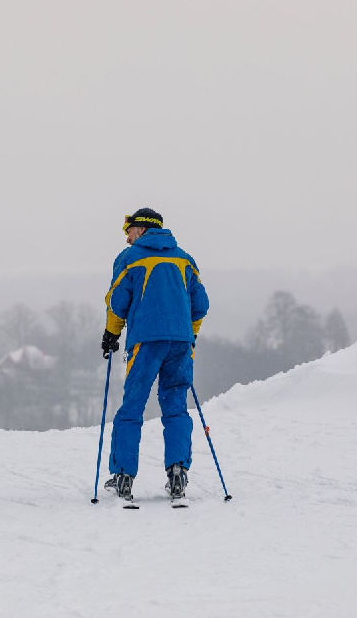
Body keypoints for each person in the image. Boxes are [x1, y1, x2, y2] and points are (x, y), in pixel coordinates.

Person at [101, 208, 209, 503]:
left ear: (142, 229)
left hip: (146, 342)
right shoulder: (184, 259)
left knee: (132, 406)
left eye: (129, 230)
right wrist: (191, 335)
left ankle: (123, 475)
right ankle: (177, 472)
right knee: (175, 407)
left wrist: (111, 333)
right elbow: (200, 305)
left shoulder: (130, 258)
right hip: (180, 343)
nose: (126, 237)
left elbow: (117, 302)